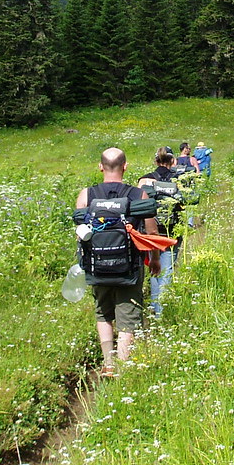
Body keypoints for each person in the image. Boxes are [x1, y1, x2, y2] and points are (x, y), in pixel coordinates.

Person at [75, 147, 161, 375]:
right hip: (129, 266)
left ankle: (108, 363)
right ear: (125, 166)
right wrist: (154, 259)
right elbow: (151, 232)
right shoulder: (137, 195)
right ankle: (122, 367)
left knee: (103, 312)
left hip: (97, 266)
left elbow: (80, 232)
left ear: (101, 166)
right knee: (128, 314)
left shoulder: (86, 195)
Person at [138, 147, 185, 316]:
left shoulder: (144, 180)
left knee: (153, 269)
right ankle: (162, 313)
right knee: (167, 271)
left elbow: (140, 207)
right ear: (173, 161)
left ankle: (155, 308)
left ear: (155, 161)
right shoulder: (179, 180)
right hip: (172, 231)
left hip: (150, 232)